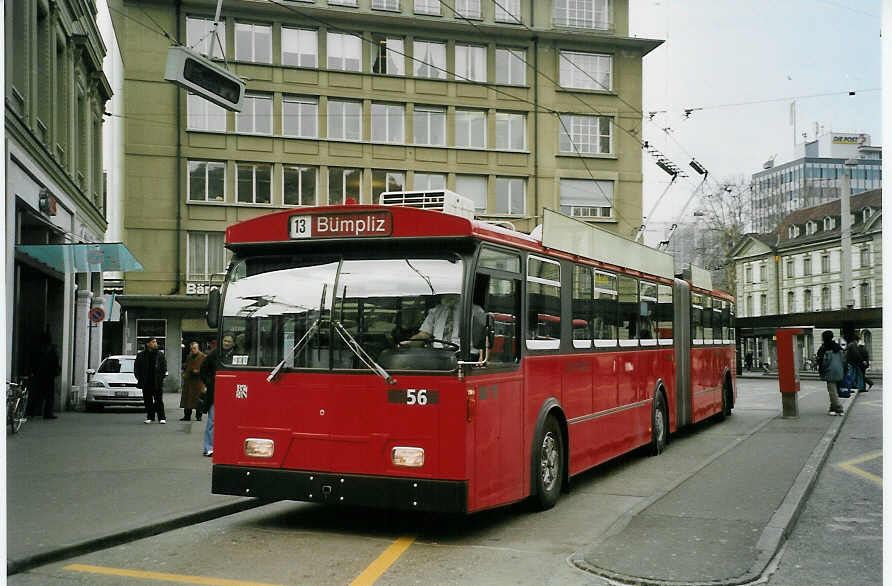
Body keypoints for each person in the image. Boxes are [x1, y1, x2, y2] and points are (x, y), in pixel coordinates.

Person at [199, 333, 235, 457]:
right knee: (212, 421)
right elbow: (203, 370)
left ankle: (227, 446)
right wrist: (209, 382)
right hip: (215, 392)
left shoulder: (237, 355)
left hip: (231, 393)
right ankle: (209, 447)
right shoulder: (214, 354)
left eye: (229, 341)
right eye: (225, 341)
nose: (226, 343)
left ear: (233, 343)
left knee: (230, 421)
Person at [135, 337, 168, 424]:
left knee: (158, 400)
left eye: (155, 342)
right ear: (148, 344)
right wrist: (140, 378)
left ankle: (162, 417)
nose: (155, 344)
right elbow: (137, 368)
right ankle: (150, 416)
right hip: (146, 382)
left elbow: (164, 367)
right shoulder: (141, 355)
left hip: (157, 382)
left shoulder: (159, 355)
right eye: (153, 342)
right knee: (148, 400)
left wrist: (161, 378)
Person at [29, 331, 61, 419]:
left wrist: (33, 372)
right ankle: (47, 413)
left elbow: (33, 362)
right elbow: (56, 363)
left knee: (38, 394)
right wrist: (56, 371)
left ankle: (32, 412)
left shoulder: (38, 350)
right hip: (49, 376)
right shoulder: (52, 350)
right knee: (49, 396)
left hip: (40, 375)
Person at [816, 330, 845, 416]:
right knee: (835, 390)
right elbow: (844, 360)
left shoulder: (824, 348)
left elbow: (823, 362)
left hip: (829, 371)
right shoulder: (838, 347)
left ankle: (839, 409)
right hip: (839, 370)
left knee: (832, 392)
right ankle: (832, 408)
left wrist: (822, 370)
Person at [179, 341, 206, 421]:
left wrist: (198, 371)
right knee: (187, 399)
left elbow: (207, 369)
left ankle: (199, 416)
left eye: (194, 348)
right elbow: (186, 365)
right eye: (191, 348)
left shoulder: (203, 357)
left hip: (198, 381)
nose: (193, 350)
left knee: (198, 399)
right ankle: (187, 416)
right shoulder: (189, 356)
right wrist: (184, 372)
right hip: (189, 380)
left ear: (198, 348)